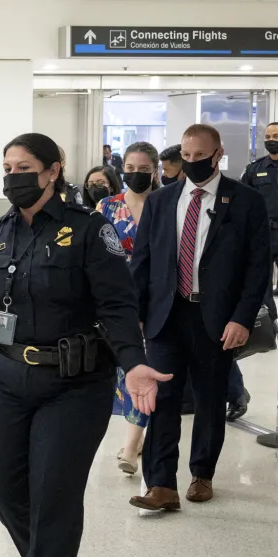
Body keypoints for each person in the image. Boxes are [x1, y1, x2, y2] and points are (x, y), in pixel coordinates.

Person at [0, 133, 168, 557]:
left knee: (53, 493)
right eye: (7, 166)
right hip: (5, 381)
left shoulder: (89, 231)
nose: (13, 175)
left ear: (52, 171)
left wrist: (133, 363)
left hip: (73, 385)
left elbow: (117, 303)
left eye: (24, 166)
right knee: (3, 485)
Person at [128, 124, 272, 512]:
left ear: (218, 153)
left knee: (209, 398)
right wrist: (136, 313)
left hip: (216, 318)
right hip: (165, 315)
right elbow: (142, 262)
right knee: (162, 398)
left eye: (199, 156)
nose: (192, 163)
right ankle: (161, 484)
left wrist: (242, 317)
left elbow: (258, 268)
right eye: (186, 157)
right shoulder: (161, 201)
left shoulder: (245, 201)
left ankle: (202, 474)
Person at [95, 142, 160, 474]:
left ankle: (131, 447)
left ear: (156, 170)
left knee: (143, 368)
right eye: (131, 169)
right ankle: (132, 439)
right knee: (119, 370)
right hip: (114, 301)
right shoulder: (107, 206)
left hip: (156, 300)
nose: (136, 175)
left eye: (144, 170)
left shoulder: (165, 205)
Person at [241, 122, 278, 295]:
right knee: (260, 284)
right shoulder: (254, 168)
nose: (271, 140)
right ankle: (267, 319)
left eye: (276, 137)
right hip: (263, 232)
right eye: (268, 137)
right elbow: (243, 200)